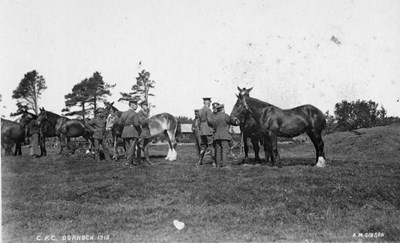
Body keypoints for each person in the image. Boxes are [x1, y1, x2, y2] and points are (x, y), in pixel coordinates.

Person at [118, 100, 141, 166]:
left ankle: (133, 161)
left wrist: (125, 126)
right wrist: (139, 129)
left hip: (125, 131)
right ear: (132, 105)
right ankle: (128, 162)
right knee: (132, 148)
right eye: (136, 105)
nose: (137, 107)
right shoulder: (135, 114)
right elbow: (136, 124)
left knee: (128, 147)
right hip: (132, 132)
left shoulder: (123, 113)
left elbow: (119, 123)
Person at [197, 97, 214, 165]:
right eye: (210, 102)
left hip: (202, 131)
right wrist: (214, 125)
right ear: (209, 102)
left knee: (203, 146)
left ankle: (200, 161)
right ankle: (214, 162)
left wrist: (201, 129)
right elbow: (210, 120)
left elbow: (198, 122)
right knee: (211, 146)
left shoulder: (200, 110)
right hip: (208, 130)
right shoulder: (208, 110)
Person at [137, 100, 152, 165]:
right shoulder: (139, 113)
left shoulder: (146, 113)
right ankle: (138, 159)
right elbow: (141, 122)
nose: (147, 107)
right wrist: (148, 119)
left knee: (146, 147)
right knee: (140, 146)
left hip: (147, 132)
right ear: (142, 106)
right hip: (142, 132)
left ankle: (147, 159)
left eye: (147, 105)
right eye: (145, 105)